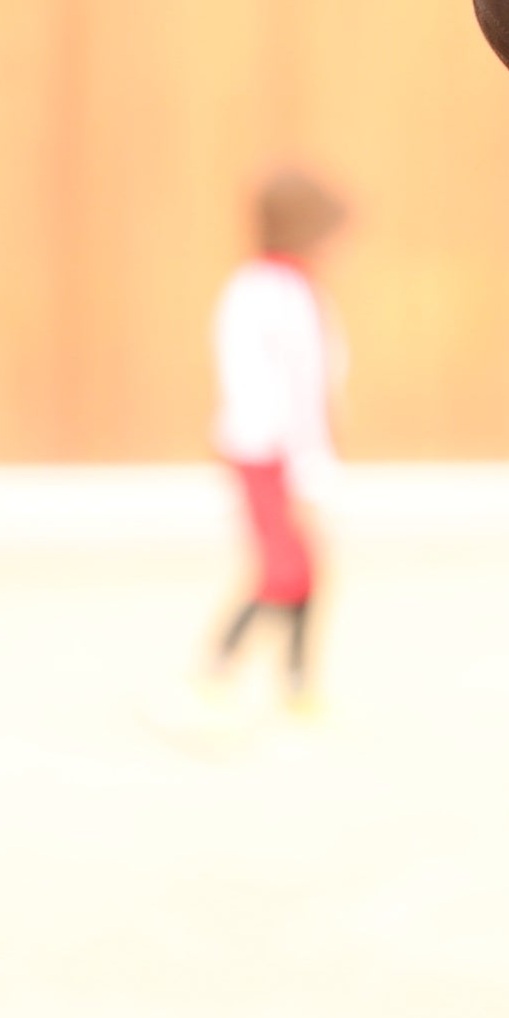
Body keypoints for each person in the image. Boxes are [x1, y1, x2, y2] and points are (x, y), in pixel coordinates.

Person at [206, 169, 345, 712]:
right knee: (285, 570)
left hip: (273, 449)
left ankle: (296, 681)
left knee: (304, 569)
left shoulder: (272, 287)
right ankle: (219, 665)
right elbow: (293, 387)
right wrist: (310, 464)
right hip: (271, 452)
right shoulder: (277, 293)